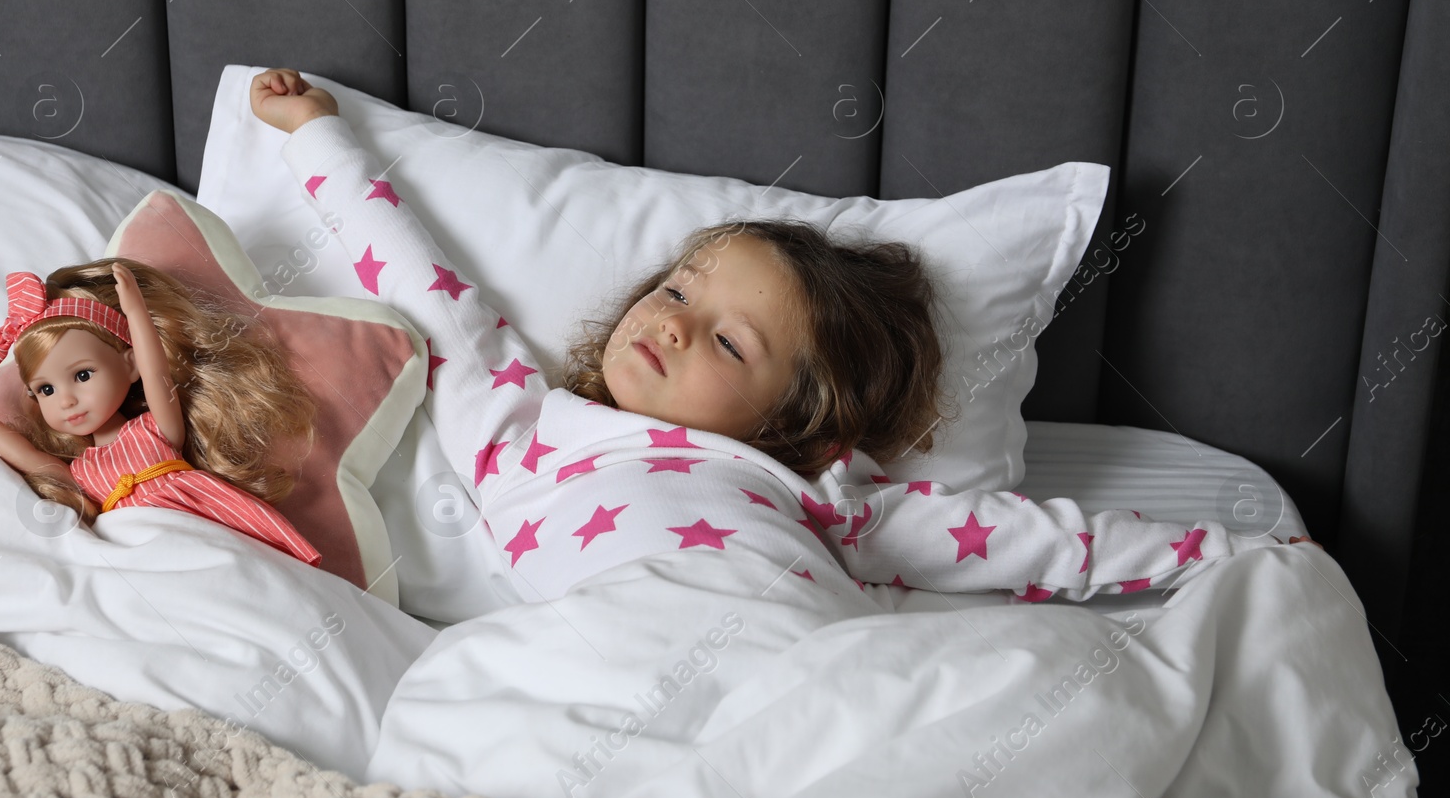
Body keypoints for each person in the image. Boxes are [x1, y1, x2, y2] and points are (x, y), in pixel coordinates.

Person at [251, 67, 1315, 602]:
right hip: (582, 657)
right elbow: (418, 275)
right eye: (676, 292)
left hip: (775, 641)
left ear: (791, 427)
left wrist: (1242, 557)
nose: (672, 325)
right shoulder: (518, 417)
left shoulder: (823, 504)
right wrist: (317, 136)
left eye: (728, 345)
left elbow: (1046, 544)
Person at [0, 258, 322, 566]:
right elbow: (26, 456)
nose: (66, 400)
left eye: (83, 375)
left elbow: (157, 374)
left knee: (238, 567)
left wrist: (135, 311)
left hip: (199, 524)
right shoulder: (81, 472)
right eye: (46, 389)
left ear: (129, 365)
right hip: (135, 550)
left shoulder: (153, 431)